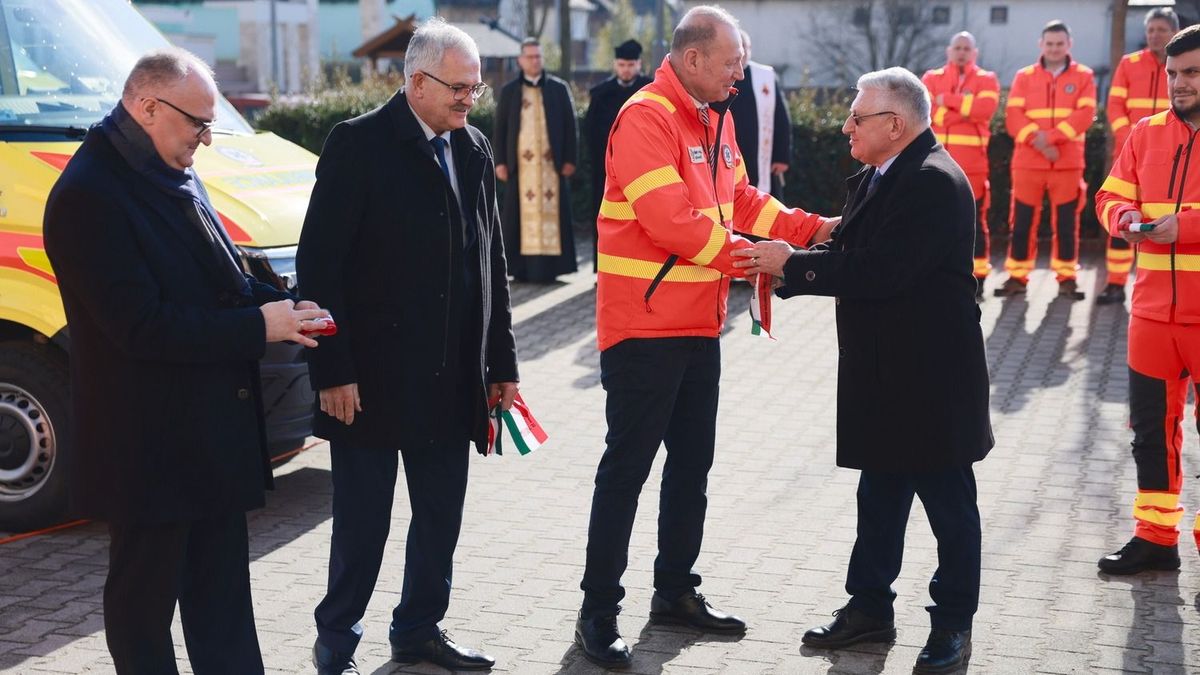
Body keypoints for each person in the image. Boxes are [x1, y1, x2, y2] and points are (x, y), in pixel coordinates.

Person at [42, 48, 330, 674]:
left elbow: (218, 277)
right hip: (149, 449)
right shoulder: (87, 196)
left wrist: (283, 303)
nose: (206, 137)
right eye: (198, 123)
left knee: (223, 604)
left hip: (210, 439)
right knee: (142, 613)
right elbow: (142, 329)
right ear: (146, 106)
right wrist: (261, 325)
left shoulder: (170, 167)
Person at [575, 6, 838, 668]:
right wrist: (761, 260)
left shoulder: (713, 117)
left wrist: (814, 230)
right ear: (693, 61)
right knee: (627, 471)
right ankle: (597, 611)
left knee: (691, 468)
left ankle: (674, 591)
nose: (739, 75)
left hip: (697, 323)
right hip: (642, 328)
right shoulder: (645, 117)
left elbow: (743, 200)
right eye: (730, 64)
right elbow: (674, 222)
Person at [733, 67, 993, 674]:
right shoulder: (882, 172)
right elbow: (851, 248)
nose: (846, 125)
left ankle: (953, 623)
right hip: (885, 372)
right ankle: (870, 606)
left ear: (895, 124)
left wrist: (792, 265)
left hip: (930, 380)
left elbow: (880, 270)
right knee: (879, 495)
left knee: (949, 508)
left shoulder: (932, 181)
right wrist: (785, 267)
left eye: (857, 117)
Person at [297, 18, 519, 674]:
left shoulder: (473, 147)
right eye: (458, 87)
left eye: (476, 89)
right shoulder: (358, 144)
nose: (468, 100)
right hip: (366, 382)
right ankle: (337, 639)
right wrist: (331, 368)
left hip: (453, 381)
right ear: (417, 82)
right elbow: (319, 266)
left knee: (439, 521)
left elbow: (491, 263)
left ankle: (419, 628)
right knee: (363, 527)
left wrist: (500, 363)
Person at [1094, 24, 1200, 576]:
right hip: (1152, 316)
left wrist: (1180, 226)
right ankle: (1157, 539)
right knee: (1151, 436)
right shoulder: (1145, 132)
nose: (1181, 83)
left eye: (1193, 73)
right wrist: (1125, 218)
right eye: (1174, 74)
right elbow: (1110, 193)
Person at [994, 20, 1096, 300]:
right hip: (1029, 163)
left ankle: (1066, 278)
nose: (1054, 49)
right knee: (1023, 221)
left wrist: (1049, 140)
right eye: (1049, 44)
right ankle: (1017, 276)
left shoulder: (1084, 76)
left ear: (1069, 45)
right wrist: (1039, 143)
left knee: (1066, 223)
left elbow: (1085, 116)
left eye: (1059, 44)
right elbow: (1013, 118)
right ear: (1041, 45)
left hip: (1066, 164)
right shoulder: (1024, 76)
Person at [1098, 7, 1178, 306]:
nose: (1155, 35)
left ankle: (1164, 288)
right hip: (1132, 156)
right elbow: (1115, 107)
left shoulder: (1181, 66)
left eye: (1161, 29)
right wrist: (1130, 139)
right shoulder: (1129, 64)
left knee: (1163, 219)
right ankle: (1116, 283)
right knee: (1123, 216)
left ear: (1174, 32)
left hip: (1173, 158)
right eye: (1151, 30)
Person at [921, 32, 1000, 300]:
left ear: (974, 52)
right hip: (935, 164)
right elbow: (924, 112)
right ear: (949, 50)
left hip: (973, 165)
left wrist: (949, 102)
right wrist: (965, 111)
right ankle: (933, 274)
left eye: (967, 48)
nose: (962, 52)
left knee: (975, 221)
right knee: (931, 219)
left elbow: (986, 110)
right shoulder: (931, 78)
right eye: (958, 47)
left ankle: (978, 277)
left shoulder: (987, 79)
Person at [495, 38, 579, 283]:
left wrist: (571, 159)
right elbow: (500, 129)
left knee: (554, 215)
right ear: (520, 61)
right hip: (520, 169)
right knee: (518, 216)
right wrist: (500, 161)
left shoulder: (558, 88)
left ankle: (553, 269)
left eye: (538, 57)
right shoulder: (510, 91)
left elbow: (570, 126)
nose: (535, 61)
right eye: (530, 57)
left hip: (552, 167)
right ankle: (520, 269)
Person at [584, 39, 652, 272]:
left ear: (639, 64)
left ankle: (644, 269)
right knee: (605, 218)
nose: (626, 69)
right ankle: (603, 268)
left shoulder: (649, 90)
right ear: (615, 65)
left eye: (631, 65)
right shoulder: (601, 93)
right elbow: (590, 132)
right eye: (622, 65)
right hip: (607, 169)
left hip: (645, 168)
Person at [730, 29, 792, 198]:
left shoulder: (765, 76)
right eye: (739, 47)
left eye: (746, 47)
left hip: (762, 154)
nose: (743, 52)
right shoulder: (721, 75)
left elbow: (780, 117)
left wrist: (782, 156)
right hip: (731, 147)